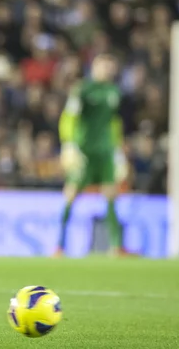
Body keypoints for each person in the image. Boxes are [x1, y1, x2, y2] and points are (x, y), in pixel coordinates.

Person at [55, 53, 128, 257]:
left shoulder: (114, 91)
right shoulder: (83, 90)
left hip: (105, 152)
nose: (107, 70)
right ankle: (60, 246)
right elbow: (69, 117)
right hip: (84, 151)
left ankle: (116, 247)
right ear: (94, 67)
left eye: (110, 66)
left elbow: (113, 122)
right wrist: (68, 144)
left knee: (111, 193)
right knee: (71, 194)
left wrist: (118, 150)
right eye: (103, 65)